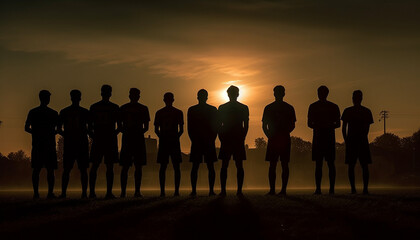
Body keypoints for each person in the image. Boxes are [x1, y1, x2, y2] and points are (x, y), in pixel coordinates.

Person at [88, 85, 121, 199]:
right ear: (110, 93)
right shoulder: (115, 107)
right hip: (108, 140)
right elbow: (120, 126)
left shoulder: (94, 107)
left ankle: (92, 192)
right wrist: (112, 135)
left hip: (99, 139)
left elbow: (89, 127)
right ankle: (108, 192)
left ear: (101, 93)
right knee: (108, 167)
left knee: (96, 166)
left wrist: (94, 136)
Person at [25, 90, 59, 199]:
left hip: (38, 144)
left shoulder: (33, 112)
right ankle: (50, 193)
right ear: (47, 99)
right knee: (50, 170)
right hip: (49, 145)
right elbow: (58, 129)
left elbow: (26, 128)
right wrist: (50, 134)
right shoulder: (53, 113)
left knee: (37, 169)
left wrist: (35, 133)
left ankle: (36, 193)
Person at [262, 85, 296, 195]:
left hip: (278, 138)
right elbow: (292, 125)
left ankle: (278, 190)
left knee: (278, 165)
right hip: (279, 138)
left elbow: (264, 126)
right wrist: (273, 135)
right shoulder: (288, 107)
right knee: (279, 165)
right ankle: (279, 190)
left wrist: (270, 135)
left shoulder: (270, 107)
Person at [308, 86, 340, 195]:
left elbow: (338, 124)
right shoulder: (330, 106)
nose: (320, 94)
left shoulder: (315, 106)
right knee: (321, 164)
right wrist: (325, 125)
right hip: (322, 138)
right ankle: (320, 189)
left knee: (327, 164)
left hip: (325, 138)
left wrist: (323, 125)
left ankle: (328, 189)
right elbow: (309, 123)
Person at [58, 90, 90, 199]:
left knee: (68, 169)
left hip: (71, 143)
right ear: (80, 98)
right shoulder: (85, 112)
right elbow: (90, 129)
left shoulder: (64, 111)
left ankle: (64, 193)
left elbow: (58, 129)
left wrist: (67, 135)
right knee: (82, 170)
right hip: (80, 143)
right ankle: (84, 194)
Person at [218, 85, 249, 196]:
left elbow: (219, 125)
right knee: (237, 165)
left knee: (226, 165)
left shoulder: (222, 108)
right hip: (235, 138)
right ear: (238, 94)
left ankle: (226, 190)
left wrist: (221, 137)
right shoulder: (243, 107)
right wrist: (243, 136)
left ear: (228, 94)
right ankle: (236, 191)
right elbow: (246, 125)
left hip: (230, 139)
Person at [119, 88, 150, 198]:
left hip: (129, 139)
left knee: (128, 167)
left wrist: (128, 131)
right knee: (135, 166)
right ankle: (134, 191)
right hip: (136, 139)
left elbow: (119, 126)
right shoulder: (143, 108)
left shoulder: (124, 108)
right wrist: (137, 132)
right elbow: (146, 127)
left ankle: (125, 192)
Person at [342, 90, 373, 194]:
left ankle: (354, 189)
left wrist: (346, 140)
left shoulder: (348, 111)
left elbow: (344, 128)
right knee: (363, 166)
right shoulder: (366, 111)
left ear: (353, 98)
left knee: (353, 166)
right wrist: (362, 136)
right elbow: (367, 129)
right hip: (361, 140)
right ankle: (364, 189)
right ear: (361, 98)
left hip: (353, 140)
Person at [187, 89, 218, 196]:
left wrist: (195, 140)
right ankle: (206, 190)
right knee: (204, 166)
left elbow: (190, 128)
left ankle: (199, 190)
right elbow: (190, 128)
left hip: (201, 141)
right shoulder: (212, 109)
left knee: (200, 166)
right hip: (203, 141)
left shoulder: (192, 110)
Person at [154, 92, 184, 197]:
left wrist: (162, 137)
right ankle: (173, 191)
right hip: (171, 142)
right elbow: (181, 130)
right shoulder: (177, 112)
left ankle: (167, 191)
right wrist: (174, 137)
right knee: (172, 167)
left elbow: (156, 129)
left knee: (167, 167)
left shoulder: (160, 112)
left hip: (167, 142)